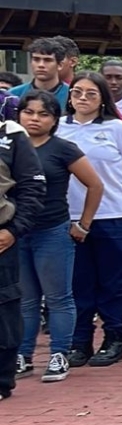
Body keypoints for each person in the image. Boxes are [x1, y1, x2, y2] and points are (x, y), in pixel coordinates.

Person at [58, 72, 122, 369]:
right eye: (77, 92)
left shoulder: (117, 128)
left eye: (91, 93)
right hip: (69, 216)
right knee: (79, 283)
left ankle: (114, 338)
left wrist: (121, 195)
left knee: (113, 282)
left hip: (114, 216)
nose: (83, 98)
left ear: (102, 98)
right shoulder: (58, 128)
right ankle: (80, 342)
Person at [15, 92, 93, 384]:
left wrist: (83, 224)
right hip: (15, 233)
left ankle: (59, 354)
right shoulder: (9, 146)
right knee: (25, 299)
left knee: (59, 298)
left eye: (43, 114)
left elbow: (94, 185)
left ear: (54, 119)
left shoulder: (63, 149)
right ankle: (23, 355)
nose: (35, 119)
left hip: (52, 231)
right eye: (29, 112)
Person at [0, 90, 46, 400]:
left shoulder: (11, 132)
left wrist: (14, 230)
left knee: (3, 308)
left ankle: (2, 378)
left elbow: (32, 188)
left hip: (2, 239)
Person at [10, 37, 70, 108]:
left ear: (60, 65)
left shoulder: (71, 95)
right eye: (36, 59)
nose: (41, 65)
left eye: (47, 60)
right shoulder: (13, 94)